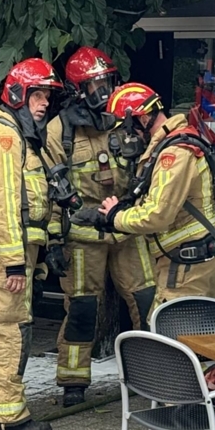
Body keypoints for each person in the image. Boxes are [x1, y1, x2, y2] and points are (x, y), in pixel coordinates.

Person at [74, 82, 215, 430]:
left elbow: (157, 215)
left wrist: (112, 219)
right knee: (188, 340)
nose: (123, 136)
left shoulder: (177, 152)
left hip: (188, 264)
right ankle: (193, 420)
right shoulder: (166, 146)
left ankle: (181, 426)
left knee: (176, 342)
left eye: (125, 126)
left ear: (139, 119)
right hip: (182, 262)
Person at [45, 48, 156, 408]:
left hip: (126, 227)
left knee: (147, 302)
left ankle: (153, 375)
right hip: (82, 235)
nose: (104, 92)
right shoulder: (58, 130)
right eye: (94, 85)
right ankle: (73, 381)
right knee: (82, 308)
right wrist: (51, 240)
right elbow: (47, 187)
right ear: (78, 90)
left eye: (107, 81)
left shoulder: (127, 118)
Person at [0, 58, 61, 430]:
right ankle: (8, 416)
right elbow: (3, 202)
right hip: (5, 253)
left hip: (1, 251)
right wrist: (16, 263)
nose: (44, 104)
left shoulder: (16, 136)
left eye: (47, 97)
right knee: (10, 329)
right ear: (18, 95)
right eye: (37, 95)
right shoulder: (4, 137)